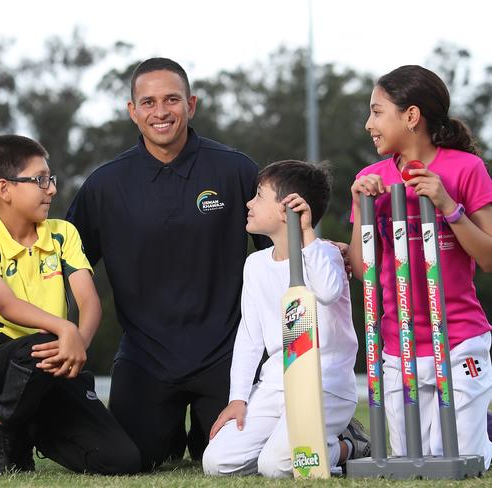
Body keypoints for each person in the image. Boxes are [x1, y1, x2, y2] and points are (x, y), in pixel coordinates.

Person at [64, 57, 267, 470]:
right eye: (149, 101)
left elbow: (278, 250)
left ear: (192, 104)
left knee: (234, 458)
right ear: (132, 111)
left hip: (226, 354)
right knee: (133, 458)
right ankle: (165, 428)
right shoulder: (105, 184)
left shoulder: (235, 169)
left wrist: (317, 243)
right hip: (145, 356)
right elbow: (60, 257)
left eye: (172, 99)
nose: (161, 112)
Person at [0, 134, 141, 476]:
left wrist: (77, 347)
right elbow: (6, 304)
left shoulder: (63, 233)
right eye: (40, 180)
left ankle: (26, 428)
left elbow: (89, 301)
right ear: (4, 188)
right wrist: (64, 329)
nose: (52, 189)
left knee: (123, 459)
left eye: (51, 179)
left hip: (54, 359)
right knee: (43, 341)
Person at [348, 65, 492, 467]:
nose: (368, 124)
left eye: (377, 112)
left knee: (460, 459)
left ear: (411, 116)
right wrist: (361, 210)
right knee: (415, 460)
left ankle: (484, 431)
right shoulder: (370, 178)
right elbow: (364, 272)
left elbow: (489, 257)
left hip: (459, 338)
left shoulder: (466, 169)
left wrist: (449, 207)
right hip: (400, 345)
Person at [202, 160, 365, 477]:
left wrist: (305, 234)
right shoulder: (256, 264)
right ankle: (289, 442)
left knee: (276, 466)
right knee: (217, 463)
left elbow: (329, 292)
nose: (249, 203)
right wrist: (238, 398)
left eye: (259, 196)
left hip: (324, 384)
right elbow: (250, 337)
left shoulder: (325, 253)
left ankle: (348, 445)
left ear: (287, 208)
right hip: (275, 386)